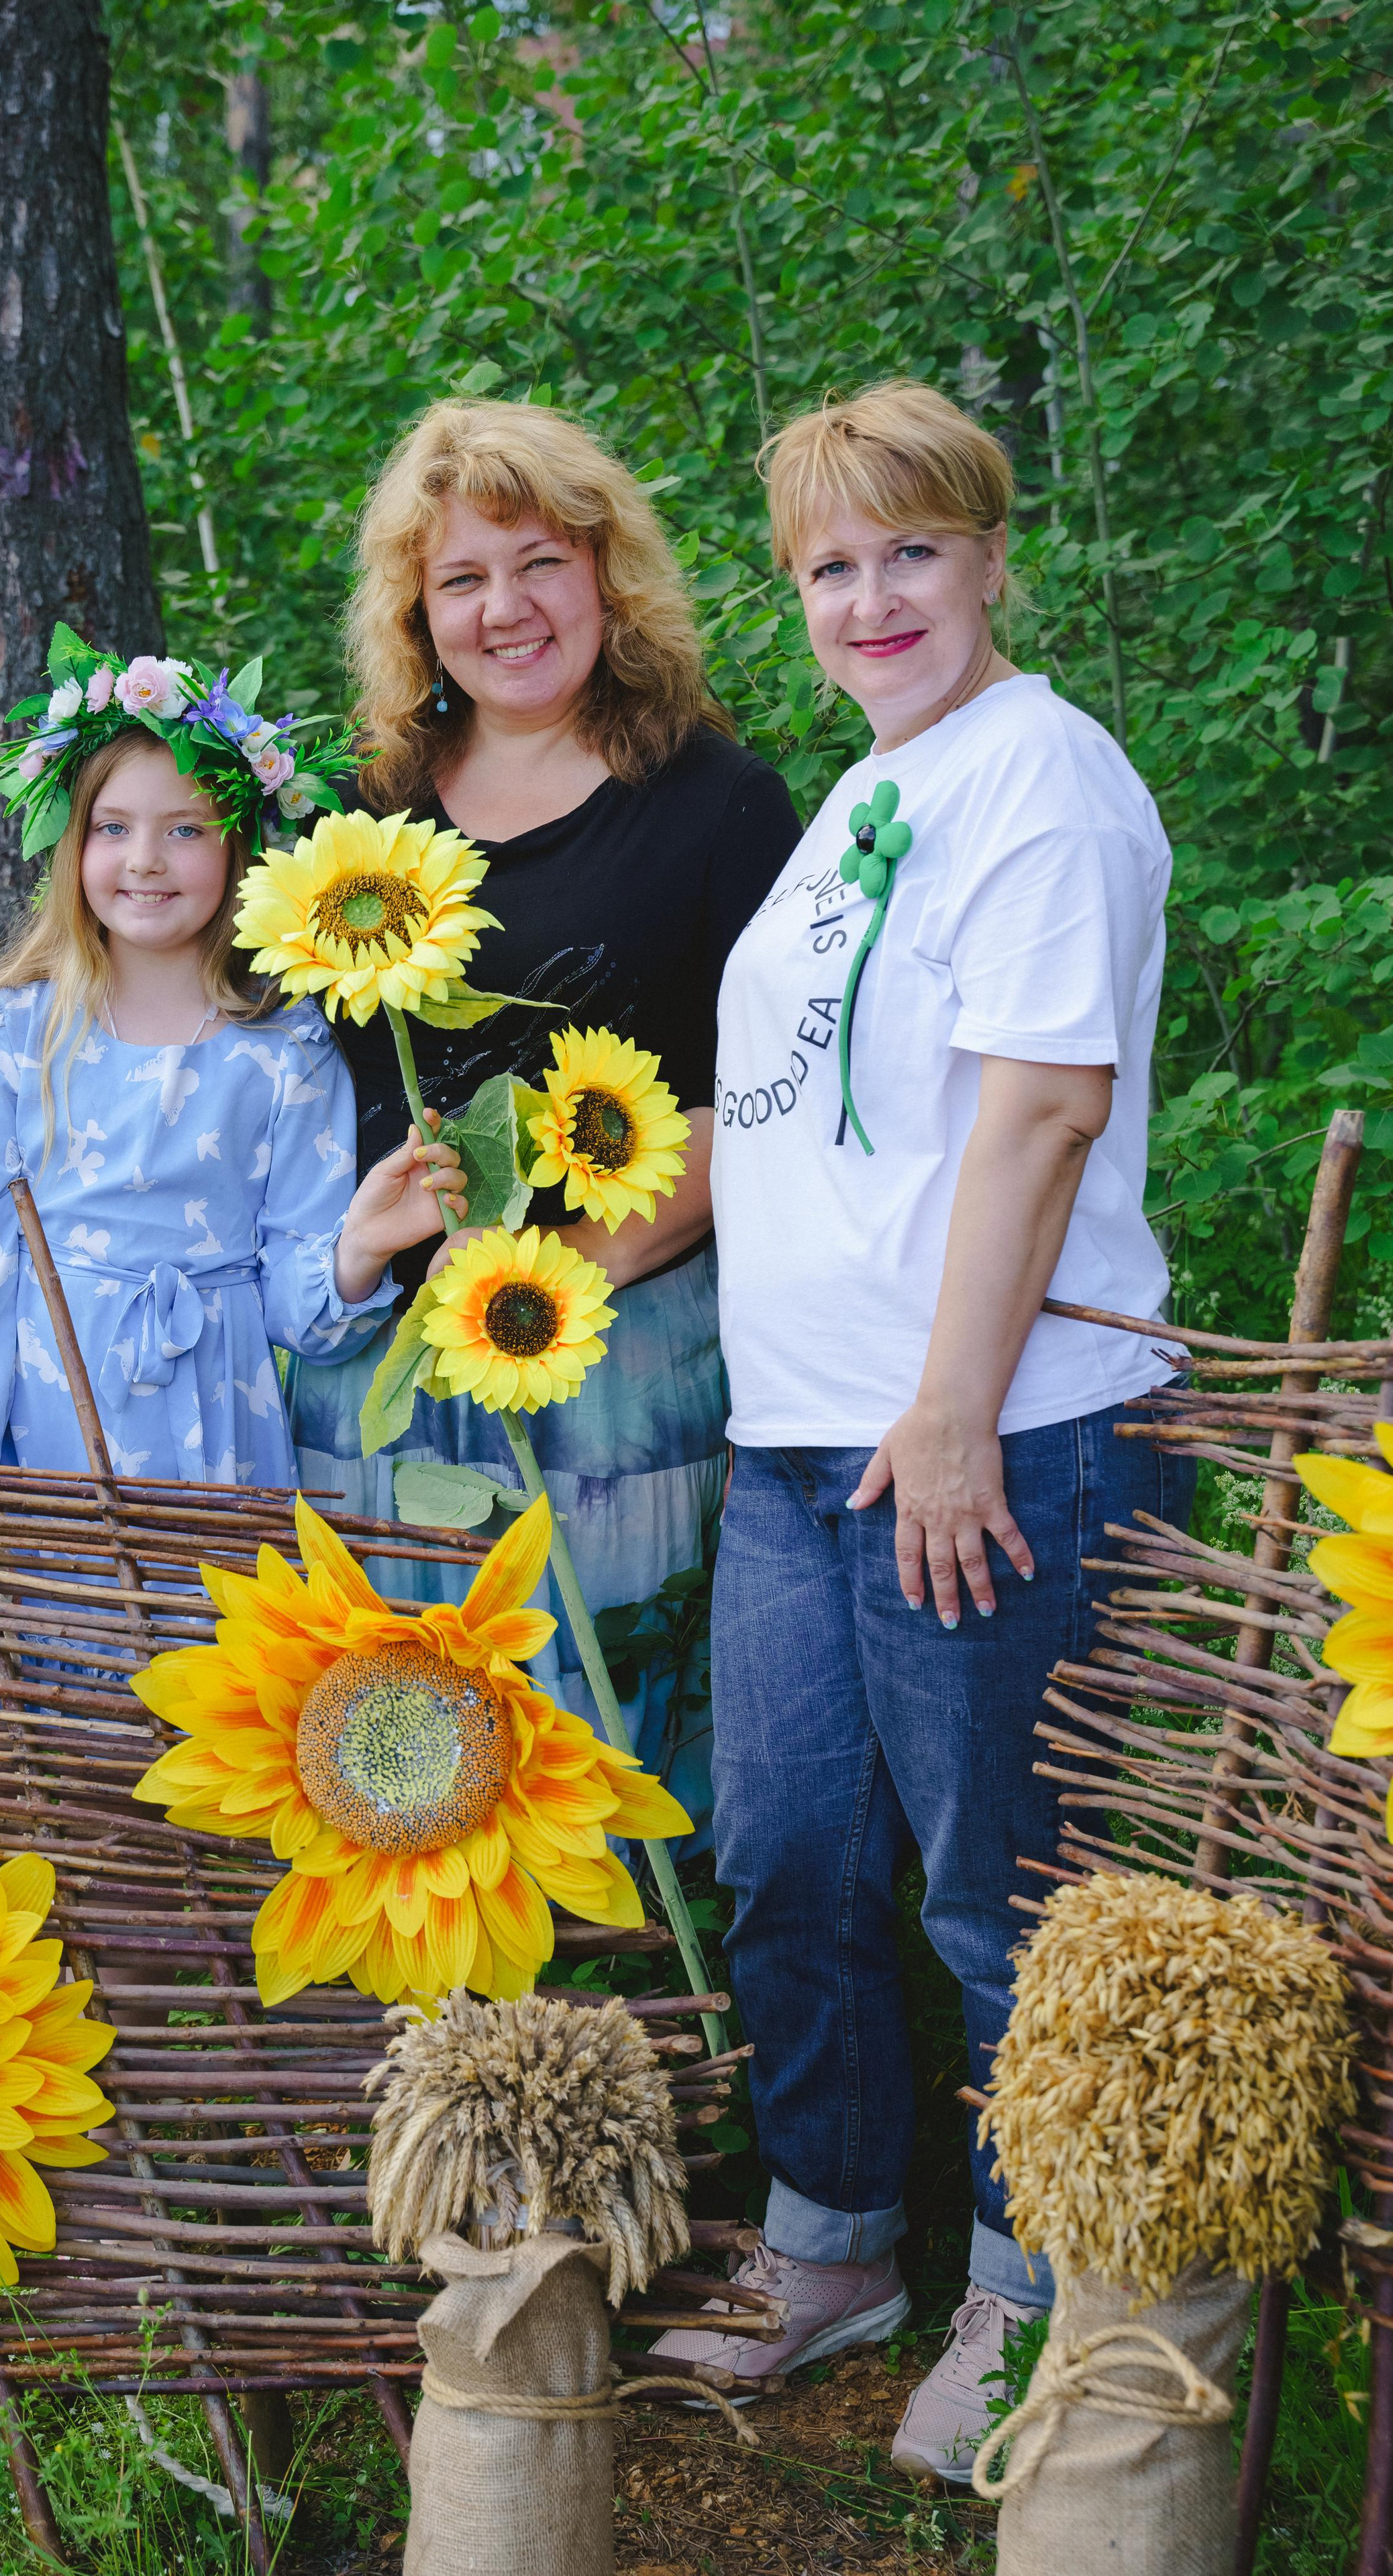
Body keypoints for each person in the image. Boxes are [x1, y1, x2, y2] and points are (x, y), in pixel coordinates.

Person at [654, 380, 1192, 2480]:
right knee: (788, 1856)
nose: (869, 597)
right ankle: (833, 2242)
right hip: (798, 1443)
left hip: (987, 1430)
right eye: (826, 567)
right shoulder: (866, 795)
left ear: (986, 557)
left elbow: (1044, 1105)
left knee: (996, 1893)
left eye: (908, 551)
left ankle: (1029, 2287)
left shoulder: (1037, 781)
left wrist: (955, 1408)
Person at [286, 399, 803, 1837]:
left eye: (536, 564)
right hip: (374, 1377)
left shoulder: (716, 802)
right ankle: (438, 2062)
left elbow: (768, 1098)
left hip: (617, 1365)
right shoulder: (352, 820)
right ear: (415, 612)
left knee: (613, 1757)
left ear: (604, 574)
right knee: (397, 1774)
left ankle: (658, 2046)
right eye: (460, 580)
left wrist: (568, 1263)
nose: (503, 610)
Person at [0, 720, 464, 1484]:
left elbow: (299, 1317)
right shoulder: (13, 1034)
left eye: (185, 829)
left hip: (222, 1432)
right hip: (51, 1428)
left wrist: (360, 1248)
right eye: (113, 827)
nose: (144, 859)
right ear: (74, 847)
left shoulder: (286, 1048)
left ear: (238, 850)